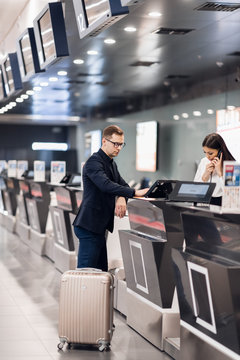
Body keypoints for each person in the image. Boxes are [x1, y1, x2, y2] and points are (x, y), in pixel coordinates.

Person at [73, 125, 149, 271]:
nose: (118, 148)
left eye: (121, 144)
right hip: (89, 226)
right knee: (86, 274)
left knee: (101, 271)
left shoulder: (110, 163)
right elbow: (105, 185)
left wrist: (121, 196)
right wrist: (134, 192)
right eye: (115, 144)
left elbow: (122, 184)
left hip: (98, 226)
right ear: (104, 141)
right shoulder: (94, 162)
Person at [194, 132, 235, 206]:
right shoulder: (204, 161)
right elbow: (195, 189)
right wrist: (205, 176)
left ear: (220, 151)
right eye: (205, 152)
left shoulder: (231, 165)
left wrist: (220, 173)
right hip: (205, 203)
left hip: (223, 204)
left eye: (210, 153)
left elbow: (232, 193)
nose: (207, 156)